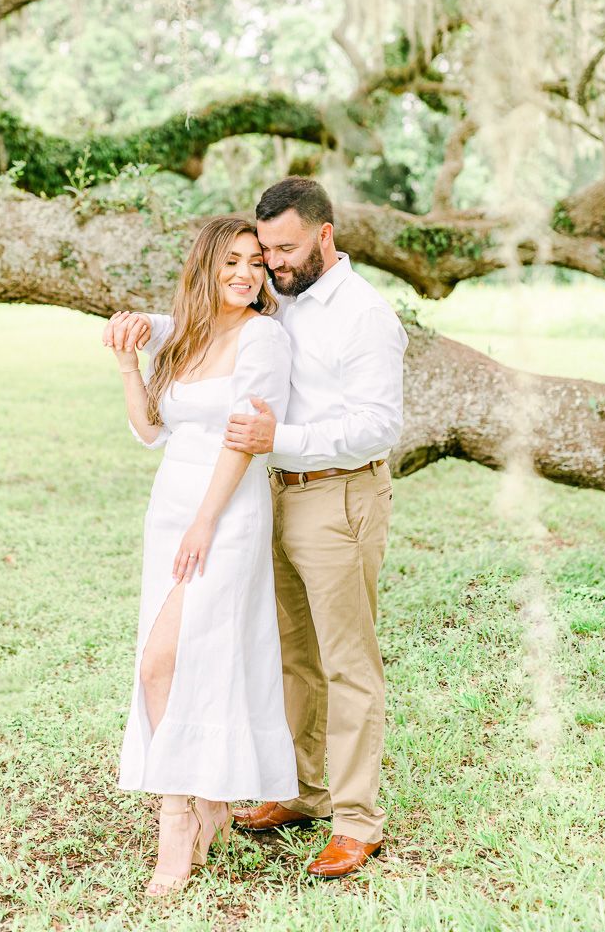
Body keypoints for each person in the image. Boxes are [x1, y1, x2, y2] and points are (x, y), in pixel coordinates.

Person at [117, 177, 408, 879]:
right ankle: (305, 792)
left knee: (347, 661)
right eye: (263, 249)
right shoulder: (285, 300)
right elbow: (210, 318)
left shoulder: (365, 316)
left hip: (336, 494)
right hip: (269, 491)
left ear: (324, 236)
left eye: (283, 249)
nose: (271, 262)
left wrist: (287, 436)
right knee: (290, 655)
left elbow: (380, 425)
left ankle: (356, 820)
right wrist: (141, 331)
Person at [102, 215, 298, 898]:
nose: (246, 274)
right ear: (207, 271)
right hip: (171, 511)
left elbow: (244, 440)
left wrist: (207, 523)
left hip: (227, 512)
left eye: (255, 263)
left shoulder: (264, 339)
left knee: (166, 660)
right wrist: (129, 363)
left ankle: (177, 815)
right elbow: (152, 429)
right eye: (231, 264)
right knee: (175, 661)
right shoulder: (188, 336)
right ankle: (205, 799)